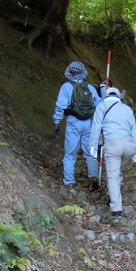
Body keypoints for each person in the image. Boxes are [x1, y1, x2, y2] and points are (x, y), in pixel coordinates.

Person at [89, 87, 136, 218]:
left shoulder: (102, 106)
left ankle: (116, 210)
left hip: (113, 144)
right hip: (129, 145)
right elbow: (134, 130)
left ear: (105, 96)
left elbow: (96, 127)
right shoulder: (127, 109)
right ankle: (112, 196)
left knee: (113, 176)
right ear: (119, 97)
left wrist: (93, 147)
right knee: (116, 173)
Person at [53, 61, 100, 190]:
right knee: (90, 152)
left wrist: (57, 122)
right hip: (88, 123)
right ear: (83, 72)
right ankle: (93, 177)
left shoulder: (66, 87)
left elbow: (60, 106)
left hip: (73, 121)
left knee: (70, 153)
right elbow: (98, 105)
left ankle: (69, 181)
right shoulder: (90, 88)